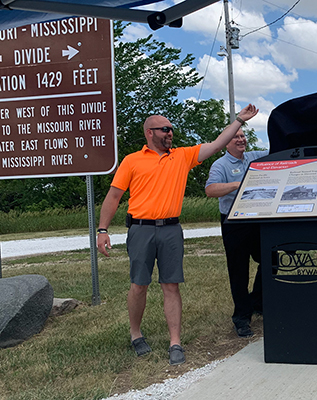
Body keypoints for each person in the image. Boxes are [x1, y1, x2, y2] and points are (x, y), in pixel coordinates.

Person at [96, 104, 259, 364]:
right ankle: (136, 334)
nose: (170, 133)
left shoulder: (182, 156)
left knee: (171, 285)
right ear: (150, 133)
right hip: (140, 229)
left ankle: (175, 342)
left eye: (171, 129)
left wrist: (239, 120)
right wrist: (103, 229)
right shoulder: (132, 160)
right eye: (165, 129)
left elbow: (218, 144)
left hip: (171, 229)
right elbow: (114, 196)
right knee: (139, 285)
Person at [205, 129, 269, 338]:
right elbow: (210, 189)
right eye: (236, 137)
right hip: (234, 222)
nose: (241, 140)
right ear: (226, 143)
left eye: (243, 136)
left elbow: (277, 154)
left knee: (270, 259)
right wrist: (237, 184)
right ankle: (242, 318)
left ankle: (257, 302)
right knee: (239, 270)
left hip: (258, 219)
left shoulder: (254, 157)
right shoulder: (220, 165)